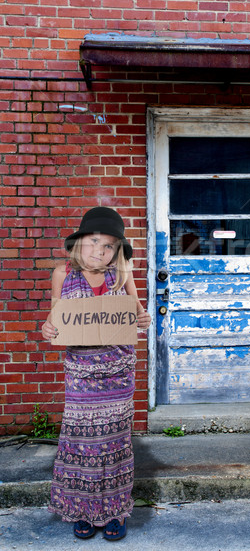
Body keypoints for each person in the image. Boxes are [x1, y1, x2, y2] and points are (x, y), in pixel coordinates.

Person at [41, 207, 151, 541]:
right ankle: (83, 510)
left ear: (117, 250)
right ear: (79, 244)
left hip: (118, 373)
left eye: (108, 246)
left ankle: (115, 510)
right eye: (93, 243)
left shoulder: (123, 272)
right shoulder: (62, 274)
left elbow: (137, 312)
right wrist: (48, 329)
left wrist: (142, 318)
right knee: (81, 441)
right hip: (80, 374)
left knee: (115, 441)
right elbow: (55, 320)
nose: (99, 252)